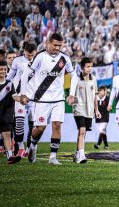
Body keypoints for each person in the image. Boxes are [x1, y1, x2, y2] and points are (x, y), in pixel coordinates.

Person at [19, 33, 79, 164]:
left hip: (58, 99)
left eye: (60, 45)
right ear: (48, 43)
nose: (57, 48)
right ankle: (33, 146)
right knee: (40, 128)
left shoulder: (65, 58)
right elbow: (26, 74)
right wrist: (23, 94)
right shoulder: (40, 56)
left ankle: (52, 157)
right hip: (42, 98)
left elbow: (74, 76)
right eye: (55, 45)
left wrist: (71, 94)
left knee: (57, 125)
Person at [6, 42, 37, 158]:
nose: (31, 57)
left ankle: (29, 148)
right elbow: (9, 77)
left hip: (32, 96)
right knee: (19, 122)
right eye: (29, 55)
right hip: (19, 95)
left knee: (33, 123)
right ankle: (20, 146)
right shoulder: (17, 61)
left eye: (32, 55)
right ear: (24, 51)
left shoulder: (38, 60)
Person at [0, 61, 21, 164]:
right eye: (1, 69)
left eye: (5, 69)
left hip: (7, 113)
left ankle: (10, 156)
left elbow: (14, 96)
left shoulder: (10, 83)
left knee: (7, 134)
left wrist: (21, 99)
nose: (3, 71)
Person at [72, 57, 101, 163]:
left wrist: (96, 110)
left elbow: (95, 96)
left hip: (89, 110)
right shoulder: (76, 78)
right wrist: (71, 98)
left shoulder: (93, 79)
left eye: (91, 66)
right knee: (82, 131)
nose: (90, 69)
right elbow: (71, 93)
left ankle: (77, 154)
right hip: (79, 108)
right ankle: (82, 156)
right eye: (88, 66)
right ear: (82, 67)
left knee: (82, 133)